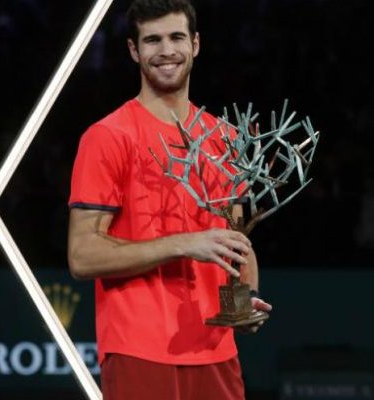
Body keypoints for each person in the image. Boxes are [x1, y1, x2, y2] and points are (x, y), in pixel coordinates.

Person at [67, 1, 271, 398]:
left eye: (176, 37)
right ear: (133, 51)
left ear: (195, 44)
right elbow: (83, 255)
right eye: (152, 40)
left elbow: (236, 237)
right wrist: (184, 243)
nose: (166, 51)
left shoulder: (225, 138)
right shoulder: (108, 137)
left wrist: (248, 300)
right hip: (139, 352)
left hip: (216, 351)